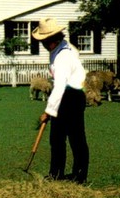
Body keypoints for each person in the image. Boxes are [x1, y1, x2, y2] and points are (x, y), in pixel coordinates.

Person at [33, 18, 89, 183]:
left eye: (44, 41)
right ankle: (56, 174)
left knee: (76, 138)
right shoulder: (62, 48)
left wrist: (48, 111)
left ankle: (79, 176)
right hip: (66, 96)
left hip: (71, 96)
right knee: (57, 138)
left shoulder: (63, 56)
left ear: (52, 40)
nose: (43, 45)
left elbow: (59, 86)